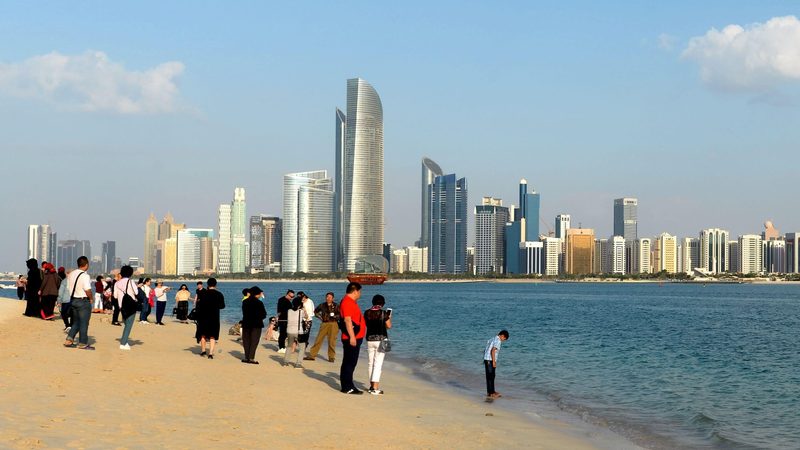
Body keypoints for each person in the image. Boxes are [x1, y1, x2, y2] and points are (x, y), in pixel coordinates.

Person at [339, 282, 365, 394]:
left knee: (350, 362)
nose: (360, 294)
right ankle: (347, 386)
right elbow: (347, 320)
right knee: (349, 362)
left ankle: (349, 385)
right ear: (355, 291)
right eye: (360, 291)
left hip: (355, 336)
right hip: (352, 337)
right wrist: (352, 337)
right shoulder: (347, 302)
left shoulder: (350, 302)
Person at [64, 256, 95, 350]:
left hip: (73, 300)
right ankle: (82, 343)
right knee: (84, 323)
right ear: (86, 265)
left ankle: (69, 339)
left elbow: (68, 288)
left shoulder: (71, 274)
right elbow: (87, 289)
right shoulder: (85, 275)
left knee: (76, 322)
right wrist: (91, 298)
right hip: (83, 301)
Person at [365, 294, 392, 395]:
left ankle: (372, 386)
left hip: (369, 339)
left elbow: (366, 324)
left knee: (370, 363)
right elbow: (389, 326)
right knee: (378, 364)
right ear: (382, 303)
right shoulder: (383, 313)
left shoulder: (367, 312)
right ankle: (375, 388)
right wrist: (390, 317)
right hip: (381, 339)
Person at [194, 278, 225, 359]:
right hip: (214, 317)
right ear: (215, 284)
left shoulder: (203, 293)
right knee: (212, 336)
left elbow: (199, 305)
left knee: (203, 334)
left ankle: (203, 351)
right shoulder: (219, 294)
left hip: (203, 317)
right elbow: (222, 306)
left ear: (207, 284)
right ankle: (210, 353)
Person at [305, 292, 339, 362]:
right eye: (327, 297)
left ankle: (331, 357)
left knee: (332, 341)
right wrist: (320, 317)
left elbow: (340, 315)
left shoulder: (336, 305)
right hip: (324, 323)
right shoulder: (322, 305)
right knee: (318, 339)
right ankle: (312, 355)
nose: (328, 298)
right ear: (325, 297)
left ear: (333, 298)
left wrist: (335, 316)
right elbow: (315, 312)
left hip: (333, 324)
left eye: (330, 297)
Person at [114, 265, 139, 350]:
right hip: (131, 305)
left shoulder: (117, 283)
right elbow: (136, 292)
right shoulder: (131, 282)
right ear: (131, 274)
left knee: (126, 323)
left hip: (122, 306)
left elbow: (115, 296)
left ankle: (125, 341)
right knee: (129, 325)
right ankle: (123, 343)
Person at [241, 286, 267, 364]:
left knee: (246, 340)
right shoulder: (259, 303)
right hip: (257, 324)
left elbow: (244, 312)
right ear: (257, 294)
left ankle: (246, 357)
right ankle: (251, 358)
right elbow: (264, 314)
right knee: (254, 341)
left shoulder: (245, 302)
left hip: (246, 323)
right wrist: (259, 318)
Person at [483, 330, 510, 399]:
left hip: (487, 359)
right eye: (504, 339)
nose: (503, 340)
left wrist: (486, 357)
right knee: (490, 377)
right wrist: (494, 362)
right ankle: (491, 393)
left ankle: (492, 391)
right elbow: (493, 350)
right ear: (502, 336)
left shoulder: (493, 338)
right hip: (490, 360)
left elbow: (486, 349)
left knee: (491, 376)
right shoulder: (498, 340)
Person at [283, 296, 307, 368]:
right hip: (298, 331)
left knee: (289, 346)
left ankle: (285, 362)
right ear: (300, 304)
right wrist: (304, 309)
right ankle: (298, 364)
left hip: (289, 330)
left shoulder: (289, 311)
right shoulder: (301, 311)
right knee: (302, 347)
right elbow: (306, 316)